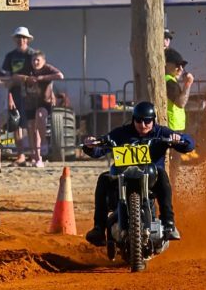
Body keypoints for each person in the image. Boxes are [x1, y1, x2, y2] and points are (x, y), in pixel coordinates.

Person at [82, 100, 196, 245]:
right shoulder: (121, 133)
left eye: (147, 121)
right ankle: (98, 228)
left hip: (152, 179)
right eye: (139, 120)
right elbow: (99, 149)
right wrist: (90, 145)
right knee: (104, 178)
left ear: (153, 120)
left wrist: (179, 139)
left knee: (162, 174)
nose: (143, 125)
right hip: (123, 177)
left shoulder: (161, 132)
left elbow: (189, 144)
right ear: (133, 120)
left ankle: (169, 223)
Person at [14, 49, 64, 169]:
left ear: (43, 61)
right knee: (32, 129)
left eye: (38, 60)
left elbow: (60, 76)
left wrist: (42, 78)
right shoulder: (28, 68)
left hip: (44, 102)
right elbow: (15, 76)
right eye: (33, 60)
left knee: (40, 117)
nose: (35, 62)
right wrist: (27, 78)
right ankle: (37, 158)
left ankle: (44, 142)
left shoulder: (47, 68)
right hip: (30, 103)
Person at [0, 26, 36, 163]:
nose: (21, 40)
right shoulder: (10, 56)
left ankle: (35, 154)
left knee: (32, 124)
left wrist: (21, 78)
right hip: (15, 92)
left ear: (28, 40)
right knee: (17, 123)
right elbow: (6, 76)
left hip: (31, 93)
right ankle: (21, 155)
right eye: (19, 37)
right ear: (15, 40)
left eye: (23, 37)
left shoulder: (33, 54)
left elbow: (37, 73)